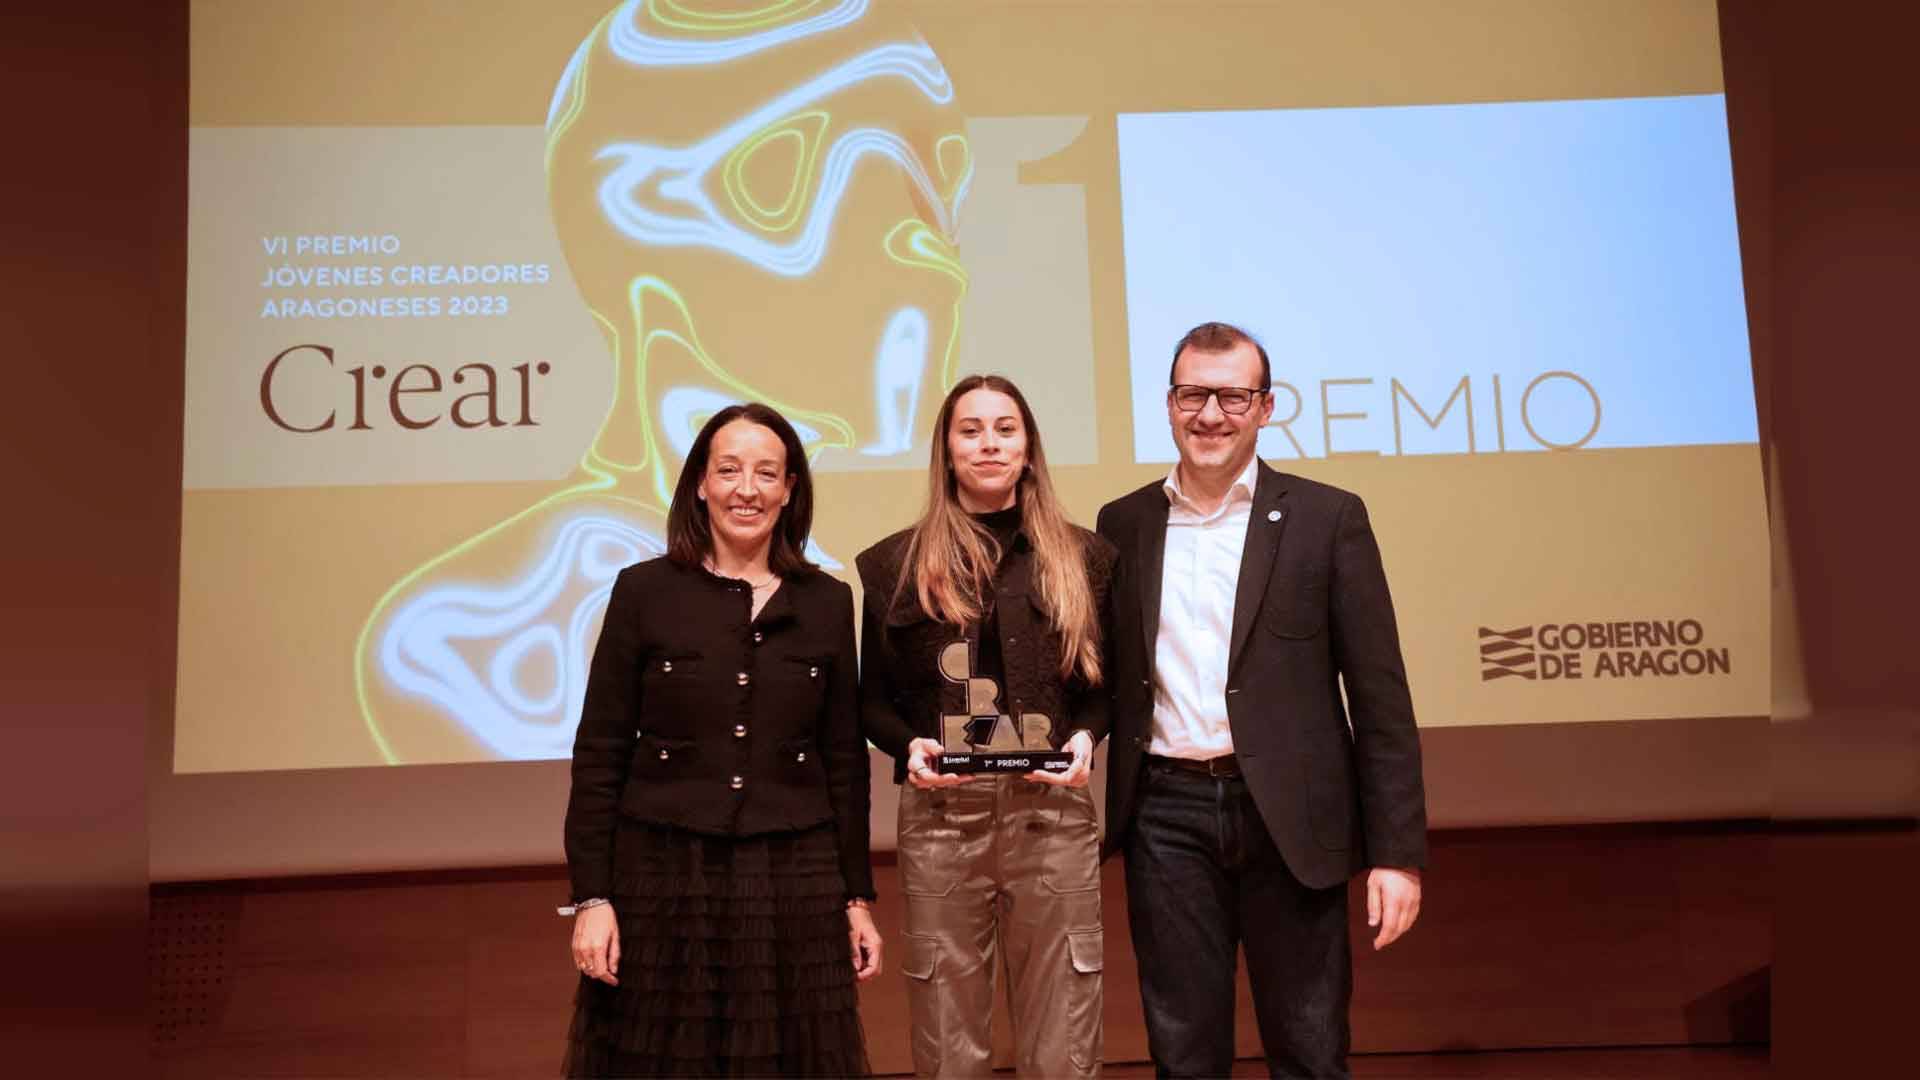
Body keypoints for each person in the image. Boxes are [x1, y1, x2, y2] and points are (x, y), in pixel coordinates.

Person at [1096, 322, 1429, 1079]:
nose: (1210, 414)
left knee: (1310, 1052)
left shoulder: (1327, 518)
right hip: (1166, 817)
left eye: (1233, 397)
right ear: (1169, 403)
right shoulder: (1125, 523)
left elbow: (1380, 698)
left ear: (1266, 407)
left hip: (1292, 824)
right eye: (1193, 395)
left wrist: (1398, 856)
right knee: (1184, 1056)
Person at [561, 403, 881, 1077]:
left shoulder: (826, 601)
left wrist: (857, 899)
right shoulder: (643, 591)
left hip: (795, 878)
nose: (747, 489)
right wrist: (593, 898)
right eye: (729, 470)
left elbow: (845, 763)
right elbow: (600, 754)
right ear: (701, 484)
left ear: (789, 489)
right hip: (662, 875)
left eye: (766, 473)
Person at [856, 375, 1117, 1078]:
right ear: (947, 449)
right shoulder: (893, 565)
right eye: (970, 430)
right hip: (942, 819)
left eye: (1005, 428)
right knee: (947, 1040)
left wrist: (1085, 739)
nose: (989, 444)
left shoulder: (1087, 558)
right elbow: (873, 702)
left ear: (1028, 446)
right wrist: (907, 745)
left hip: (1053, 814)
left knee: (1064, 1036)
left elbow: (1106, 692)